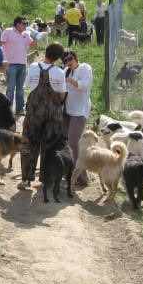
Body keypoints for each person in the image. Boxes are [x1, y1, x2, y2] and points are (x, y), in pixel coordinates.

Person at [18, 43, 67, 190]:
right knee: (50, 147)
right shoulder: (59, 72)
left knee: (29, 145)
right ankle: (46, 180)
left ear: (45, 52)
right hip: (53, 115)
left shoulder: (33, 67)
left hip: (34, 113)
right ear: (58, 57)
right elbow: (62, 94)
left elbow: (26, 86)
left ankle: (26, 180)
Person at [63, 51, 93, 186]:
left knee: (74, 142)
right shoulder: (66, 71)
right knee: (68, 143)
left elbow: (84, 86)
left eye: (70, 59)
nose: (68, 63)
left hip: (80, 111)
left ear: (75, 58)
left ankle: (82, 177)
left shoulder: (85, 68)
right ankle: (72, 172)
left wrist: (70, 80)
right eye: (65, 60)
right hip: (68, 110)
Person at [0, 16, 35, 116]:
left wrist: (38, 36)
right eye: (24, 23)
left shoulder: (26, 34)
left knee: (20, 89)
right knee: (10, 88)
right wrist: (2, 61)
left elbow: (33, 44)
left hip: (22, 64)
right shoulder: (8, 31)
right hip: (10, 64)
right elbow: (0, 44)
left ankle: (20, 109)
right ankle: (8, 110)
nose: (26, 25)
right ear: (18, 24)